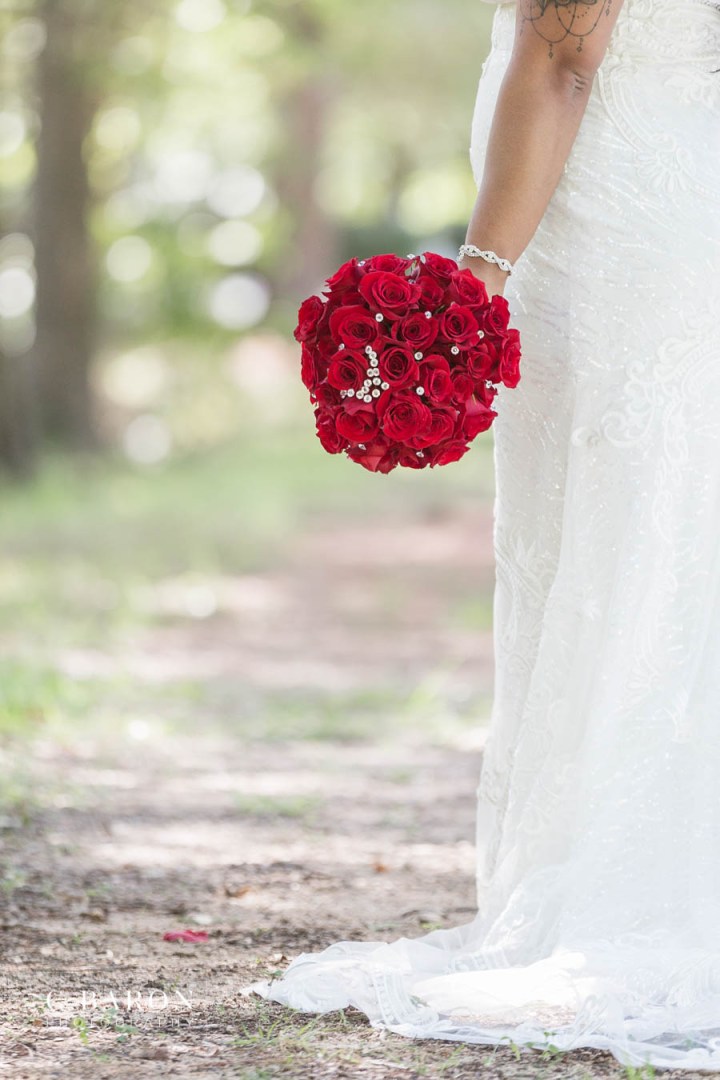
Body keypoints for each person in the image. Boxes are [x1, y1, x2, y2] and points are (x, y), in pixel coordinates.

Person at [244, 0, 720, 1069]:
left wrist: (475, 280)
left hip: (611, 232)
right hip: (674, 202)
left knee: (621, 551)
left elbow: (560, 64)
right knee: (671, 549)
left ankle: (627, 893)